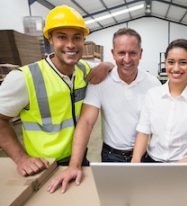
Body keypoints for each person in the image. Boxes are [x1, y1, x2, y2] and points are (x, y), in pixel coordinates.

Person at [0, 5, 113, 176]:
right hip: (45, 166)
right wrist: (21, 159)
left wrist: (106, 65)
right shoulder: (25, 78)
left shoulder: (84, 69)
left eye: (77, 38)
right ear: (50, 39)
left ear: (83, 40)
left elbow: (111, 66)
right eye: (62, 37)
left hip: (79, 157)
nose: (70, 45)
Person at [47, 27, 160, 193]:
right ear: (113, 53)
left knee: (144, 201)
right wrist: (74, 165)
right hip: (111, 157)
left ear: (141, 53)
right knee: (113, 201)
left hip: (146, 155)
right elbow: (86, 122)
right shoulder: (100, 82)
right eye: (121, 53)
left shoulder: (153, 84)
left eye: (133, 53)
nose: (127, 59)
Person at [131, 39, 187, 163]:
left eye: (183, 62)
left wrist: (178, 166)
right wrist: (136, 159)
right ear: (165, 63)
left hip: (185, 165)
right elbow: (144, 132)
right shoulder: (152, 95)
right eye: (171, 62)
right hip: (152, 162)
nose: (176, 68)